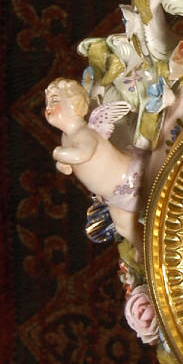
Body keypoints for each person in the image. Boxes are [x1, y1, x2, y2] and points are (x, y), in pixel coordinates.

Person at [44, 79, 144, 262]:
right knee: (123, 228)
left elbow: (83, 153)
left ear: (74, 104)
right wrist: (63, 163)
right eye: (47, 102)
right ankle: (145, 250)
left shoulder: (84, 132)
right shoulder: (66, 138)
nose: (48, 107)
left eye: (54, 100)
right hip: (114, 194)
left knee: (152, 205)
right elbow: (71, 166)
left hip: (130, 177)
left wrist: (59, 153)